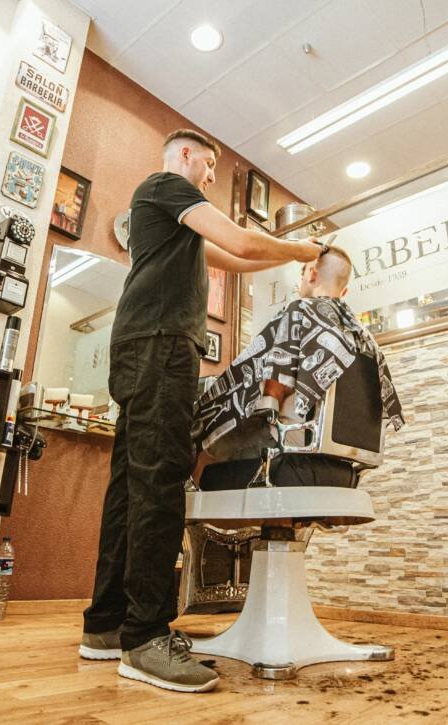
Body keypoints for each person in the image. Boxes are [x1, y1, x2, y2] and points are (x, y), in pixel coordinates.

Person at [79, 128, 321, 693]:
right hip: (160, 346)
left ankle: (107, 625)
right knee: (160, 485)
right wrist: (301, 249)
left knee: (130, 489)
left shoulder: (173, 226)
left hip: (146, 348)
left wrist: (287, 262)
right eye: (210, 166)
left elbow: (234, 259)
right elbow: (241, 238)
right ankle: (145, 639)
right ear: (185, 157)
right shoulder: (165, 186)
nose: (212, 177)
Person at [194, 246, 403, 462]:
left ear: (312, 274)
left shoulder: (299, 312)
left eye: (302, 274)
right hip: (341, 461)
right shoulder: (366, 341)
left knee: (200, 448)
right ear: (344, 293)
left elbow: (273, 391)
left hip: (290, 446)